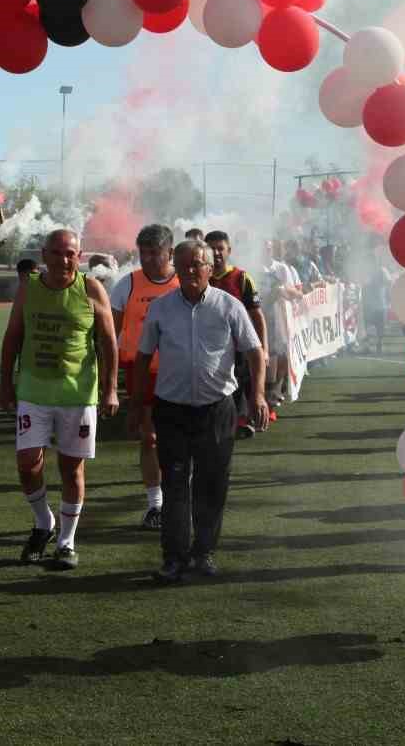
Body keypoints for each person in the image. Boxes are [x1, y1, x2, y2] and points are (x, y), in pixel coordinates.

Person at [134, 240, 267, 583]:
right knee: (175, 484)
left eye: (197, 264)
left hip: (217, 410)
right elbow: (144, 356)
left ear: (210, 268)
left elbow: (254, 351)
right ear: (175, 268)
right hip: (172, 410)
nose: (191, 270)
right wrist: (140, 405)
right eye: (184, 265)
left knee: (211, 484)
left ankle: (204, 552)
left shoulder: (229, 305)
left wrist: (259, 397)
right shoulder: (161, 308)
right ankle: (174, 558)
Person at [0, 228, 118, 568]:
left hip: (78, 395)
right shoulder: (29, 288)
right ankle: (44, 522)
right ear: (44, 255)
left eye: (71, 254)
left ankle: (66, 542)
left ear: (78, 257)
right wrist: (5, 384)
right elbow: (12, 338)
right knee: (27, 462)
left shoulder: (91, 288)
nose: (65, 260)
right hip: (34, 391)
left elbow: (108, 342)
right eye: (57, 253)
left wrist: (109, 389)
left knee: (71, 470)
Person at [111, 224, 182, 528]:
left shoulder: (185, 283)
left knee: (181, 441)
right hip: (141, 373)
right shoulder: (125, 285)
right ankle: (156, 505)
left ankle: (180, 500)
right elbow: (108, 337)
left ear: (170, 253)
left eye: (156, 253)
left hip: (180, 373)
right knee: (149, 439)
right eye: (144, 253)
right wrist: (109, 382)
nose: (149, 259)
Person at [205, 230, 268, 437]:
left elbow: (257, 316)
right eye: (211, 248)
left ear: (228, 251)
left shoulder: (241, 278)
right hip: (209, 347)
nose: (215, 253)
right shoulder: (198, 277)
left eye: (220, 248)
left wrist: (263, 349)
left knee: (240, 384)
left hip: (238, 346)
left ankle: (242, 421)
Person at [261, 240, 303, 411]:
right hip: (262, 315)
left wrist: (281, 291)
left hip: (280, 317)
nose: (267, 250)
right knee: (268, 354)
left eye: (269, 247)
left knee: (282, 353)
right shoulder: (254, 268)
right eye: (264, 247)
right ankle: (267, 392)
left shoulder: (281, 268)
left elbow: (296, 292)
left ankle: (276, 389)